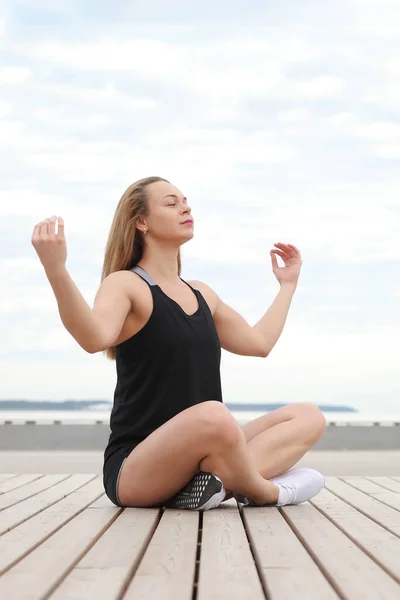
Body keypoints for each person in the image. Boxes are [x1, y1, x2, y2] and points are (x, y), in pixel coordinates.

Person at [31, 176, 326, 511]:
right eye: (171, 203)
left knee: (308, 416)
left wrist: (287, 285)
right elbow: (92, 338)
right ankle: (265, 492)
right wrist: (56, 270)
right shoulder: (126, 284)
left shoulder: (202, 293)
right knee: (215, 417)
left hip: (204, 448)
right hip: (136, 468)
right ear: (141, 222)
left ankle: (214, 487)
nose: (185, 207)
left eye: (185, 201)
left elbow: (259, 343)